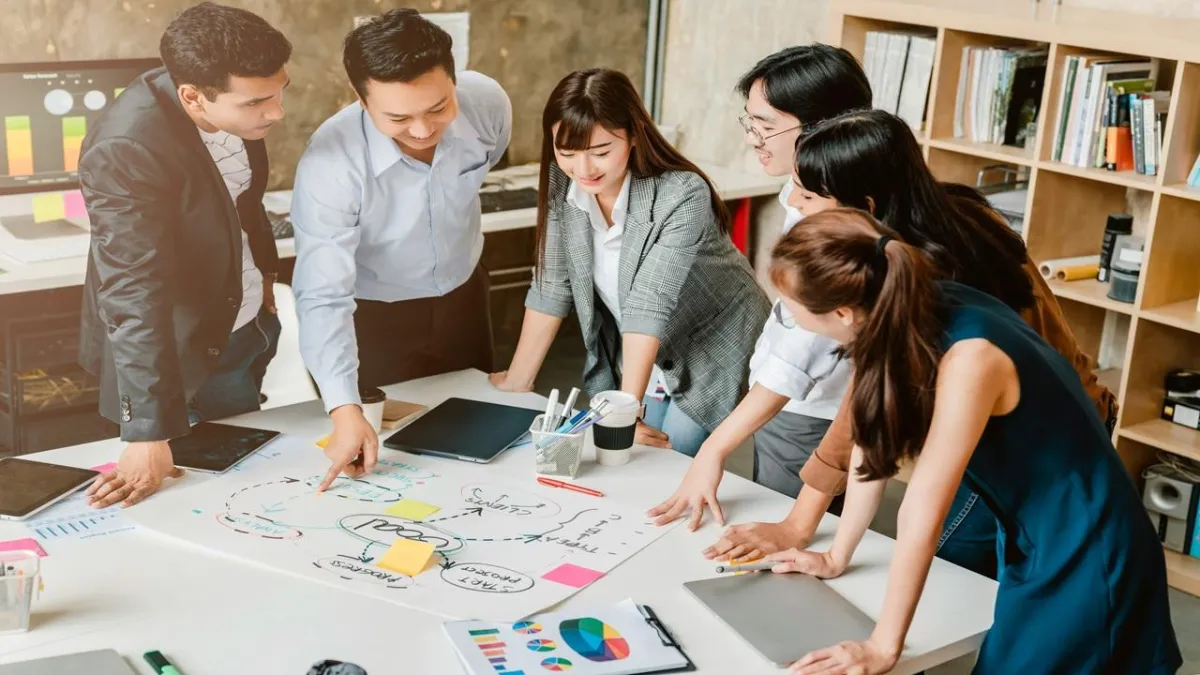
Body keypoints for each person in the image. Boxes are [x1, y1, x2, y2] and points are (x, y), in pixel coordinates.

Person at [694, 109, 1117, 578]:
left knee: (947, 578)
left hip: (1040, 446)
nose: (794, 200)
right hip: (1057, 421)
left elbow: (861, 409)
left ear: (866, 207)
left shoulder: (922, 276)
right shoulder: (944, 215)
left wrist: (801, 523)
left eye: (810, 194)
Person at [758, 208, 1180, 675]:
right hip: (1034, 532)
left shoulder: (971, 359)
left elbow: (925, 505)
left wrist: (883, 645)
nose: (790, 318)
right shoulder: (899, 308)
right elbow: (869, 445)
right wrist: (836, 555)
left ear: (842, 312)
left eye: (791, 308)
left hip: (1088, 544)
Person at [489, 68, 769, 457]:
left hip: (713, 340)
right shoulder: (563, 185)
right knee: (631, 456)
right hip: (646, 346)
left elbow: (648, 301)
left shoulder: (681, 192)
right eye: (567, 152)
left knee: (668, 454)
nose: (583, 170)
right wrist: (518, 382)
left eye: (601, 152)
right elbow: (551, 286)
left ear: (634, 134)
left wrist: (625, 414)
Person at [79, 2, 291, 508]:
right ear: (193, 97)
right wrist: (147, 430)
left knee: (251, 494)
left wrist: (264, 277)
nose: (277, 113)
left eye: (281, 92)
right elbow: (131, 291)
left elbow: (242, 201)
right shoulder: (126, 146)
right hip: (173, 359)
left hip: (242, 329)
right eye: (258, 101)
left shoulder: (233, 103)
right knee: (193, 508)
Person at [291, 9, 512, 490]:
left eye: (438, 108)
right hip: (375, 318)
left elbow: (490, 158)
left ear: (454, 79)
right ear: (361, 100)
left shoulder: (487, 103)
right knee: (391, 463)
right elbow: (321, 294)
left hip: (465, 298)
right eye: (398, 117)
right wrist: (344, 408)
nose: (421, 130)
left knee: (480, 441)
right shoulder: (332, 162)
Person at [648, 45, 867, 524]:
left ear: (823, 128)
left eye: (766, 127)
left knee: (787, 543)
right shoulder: (800, 190)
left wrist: (716, 448)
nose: (753, 140)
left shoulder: (838, 219)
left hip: (814, 415)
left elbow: (798, 353)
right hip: (791, 409)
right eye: (750, 123)